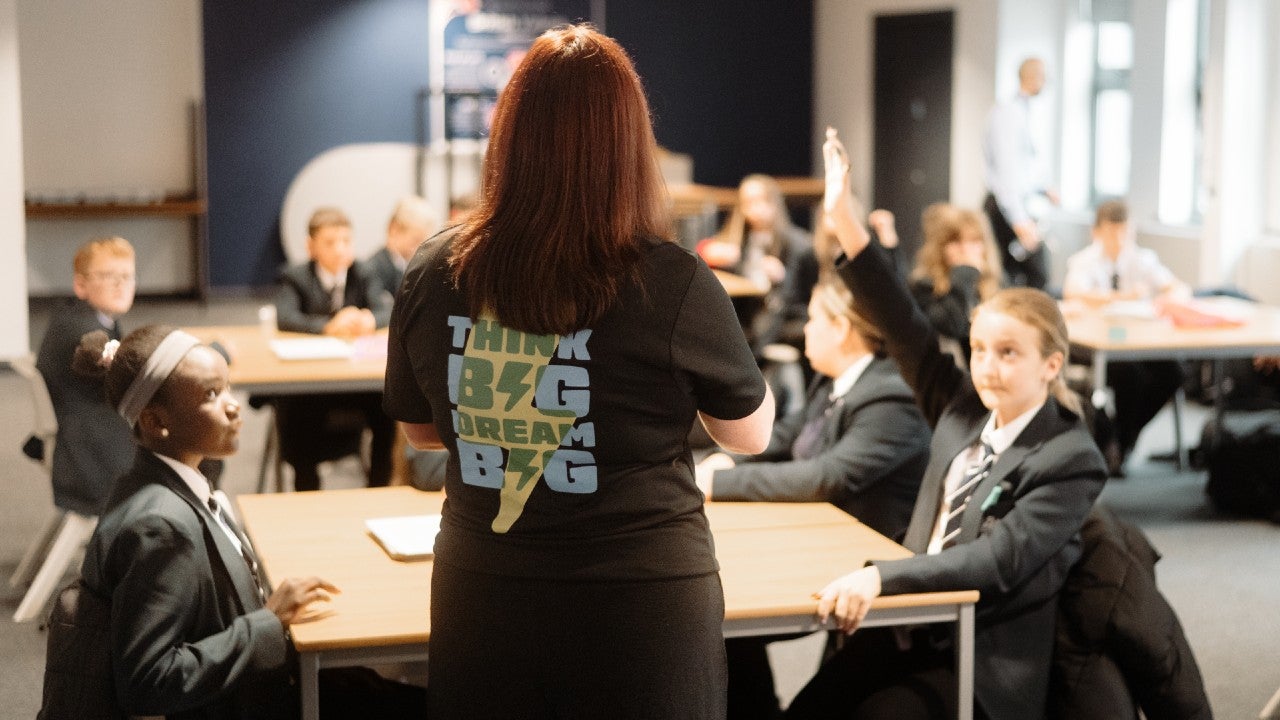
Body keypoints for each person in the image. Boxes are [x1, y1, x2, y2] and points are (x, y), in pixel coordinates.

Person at [382, 24, 773, 720]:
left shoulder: (433, 269)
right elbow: (747, 435)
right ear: (629, 146)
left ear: (508, 137)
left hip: (485, 590)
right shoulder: (673, 281)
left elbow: (420, 432)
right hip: (641, 603)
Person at [783, 129, 1106, 720]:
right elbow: (904, 325)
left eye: (1009, 353)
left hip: (974, 660)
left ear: (1051, 364)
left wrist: (884, 579)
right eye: (980, 349)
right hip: (900, 629)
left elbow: (996, 560)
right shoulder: (964, 409)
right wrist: (845, 221)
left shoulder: (1069, 456)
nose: (988, 367)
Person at [69, 325, 424, 719]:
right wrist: (267, 623)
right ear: (155, 422)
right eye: (211, 395)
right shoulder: (159, 526)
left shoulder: (157, 483)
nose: (233, 406)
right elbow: (147, 681)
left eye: (228, 388)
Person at [696, 277, 929, 537]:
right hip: (815, 526)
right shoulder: (835, 378)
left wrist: (719, 482)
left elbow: (826, 477)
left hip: (860, 544)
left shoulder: (893, 399)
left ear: (840, 328)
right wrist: (730, 457)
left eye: (813, 319)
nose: (806, 329)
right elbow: (789, 432)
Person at [272, 207, 395, 490]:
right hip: (312, 381)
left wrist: (367, 319)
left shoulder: (363, 272)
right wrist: (329, 326)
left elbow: (385, 310)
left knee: (388, 405)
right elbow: (286, 317)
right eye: (330, 242)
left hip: (355, 378)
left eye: (346, 241)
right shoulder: (295, 276)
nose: (340, 249)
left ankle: (379, 486)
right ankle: (307, 486)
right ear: (311, 246)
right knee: (298, 412)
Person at [1063, 199, 1186, 471]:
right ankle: (1117, 442)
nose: (1119, 240)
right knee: (1131, 376)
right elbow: (1074, 293)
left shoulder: (1142, 259)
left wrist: (1166, 298)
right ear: (1097, 232)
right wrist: (1118, 297)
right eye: (1112, 232)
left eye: (1125, 233)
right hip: (1097, 345)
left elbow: (1177, 288)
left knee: (1174, 372)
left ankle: (1121, 438)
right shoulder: (1085, 261)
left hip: (1139, 340)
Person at [35, 236, 137, 516]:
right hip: (92, 457)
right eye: (108, 276)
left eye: (127, 276)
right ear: (80, 285)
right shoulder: (83, 334)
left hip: (86, 439)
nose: (121, 284)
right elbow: (131, 372)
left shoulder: (83, 318)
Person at [983, 57, 1057, 290]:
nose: (1046, 81)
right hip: (1006, 208)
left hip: (1018, 204)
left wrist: (1044, 188)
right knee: (1021, 278)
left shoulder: (1026, 111)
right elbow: (1007, 170)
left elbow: (1025, 164)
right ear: (1033, 76)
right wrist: (1019, 219)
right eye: (1044, 76)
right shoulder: (1008, 113)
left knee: (1033, 277)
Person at [909, 202, 1005, 362]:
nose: (966, 250)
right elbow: (953, 325)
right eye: (956, 241)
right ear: (940, 246)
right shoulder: (923, 286)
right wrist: (965, 272)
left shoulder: (994, 283)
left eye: (975, 241)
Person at [365, 195, 438, 299]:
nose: (420, 247)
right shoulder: (372, 270)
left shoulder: (416, 267)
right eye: (416, 240)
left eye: (425, 242)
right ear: (394, 229)